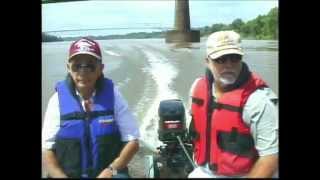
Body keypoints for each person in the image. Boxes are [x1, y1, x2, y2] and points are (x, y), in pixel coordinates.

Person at [42, 37, 140, 178]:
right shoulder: (57, 100)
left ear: (101, 69)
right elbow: (47, 149)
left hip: (108, 173)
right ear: (68, 68)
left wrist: (111, 170)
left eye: (90, 66)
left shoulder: (113, 95)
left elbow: (132, 141)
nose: (83, 72)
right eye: (77, 66)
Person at [187, 31, 278, 178]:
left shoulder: (259, 101)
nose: (229, 65)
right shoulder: (197, 87)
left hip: (248, 173)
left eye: (235, 58)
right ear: (207, 62)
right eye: (220, 59)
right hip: (205, 170)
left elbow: (270, 158)